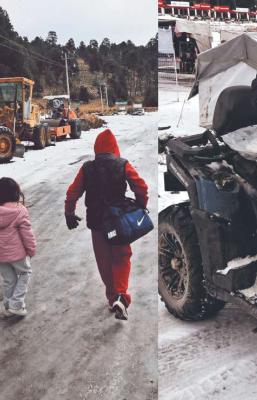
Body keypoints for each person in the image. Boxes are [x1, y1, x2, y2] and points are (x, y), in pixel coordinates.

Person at [65, 128, 148, 321]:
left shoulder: (87, 168)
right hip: (118, 222)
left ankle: (113, 299)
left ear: (97, 148)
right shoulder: (122, 164)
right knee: (121, 257)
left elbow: (72, 192)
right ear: (114, 148)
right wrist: (140, 205)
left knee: (104, 261)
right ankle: (121, 295)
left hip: (97, 224)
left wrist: (69, 212)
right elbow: (141, 187)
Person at [0, 178, 36, 317]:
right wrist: (31, 249)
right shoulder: (19, 211)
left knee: (9, 280)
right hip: (17, 255)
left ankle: (8, 306)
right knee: (25, 273)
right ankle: (16, 304)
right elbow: (27, 233)